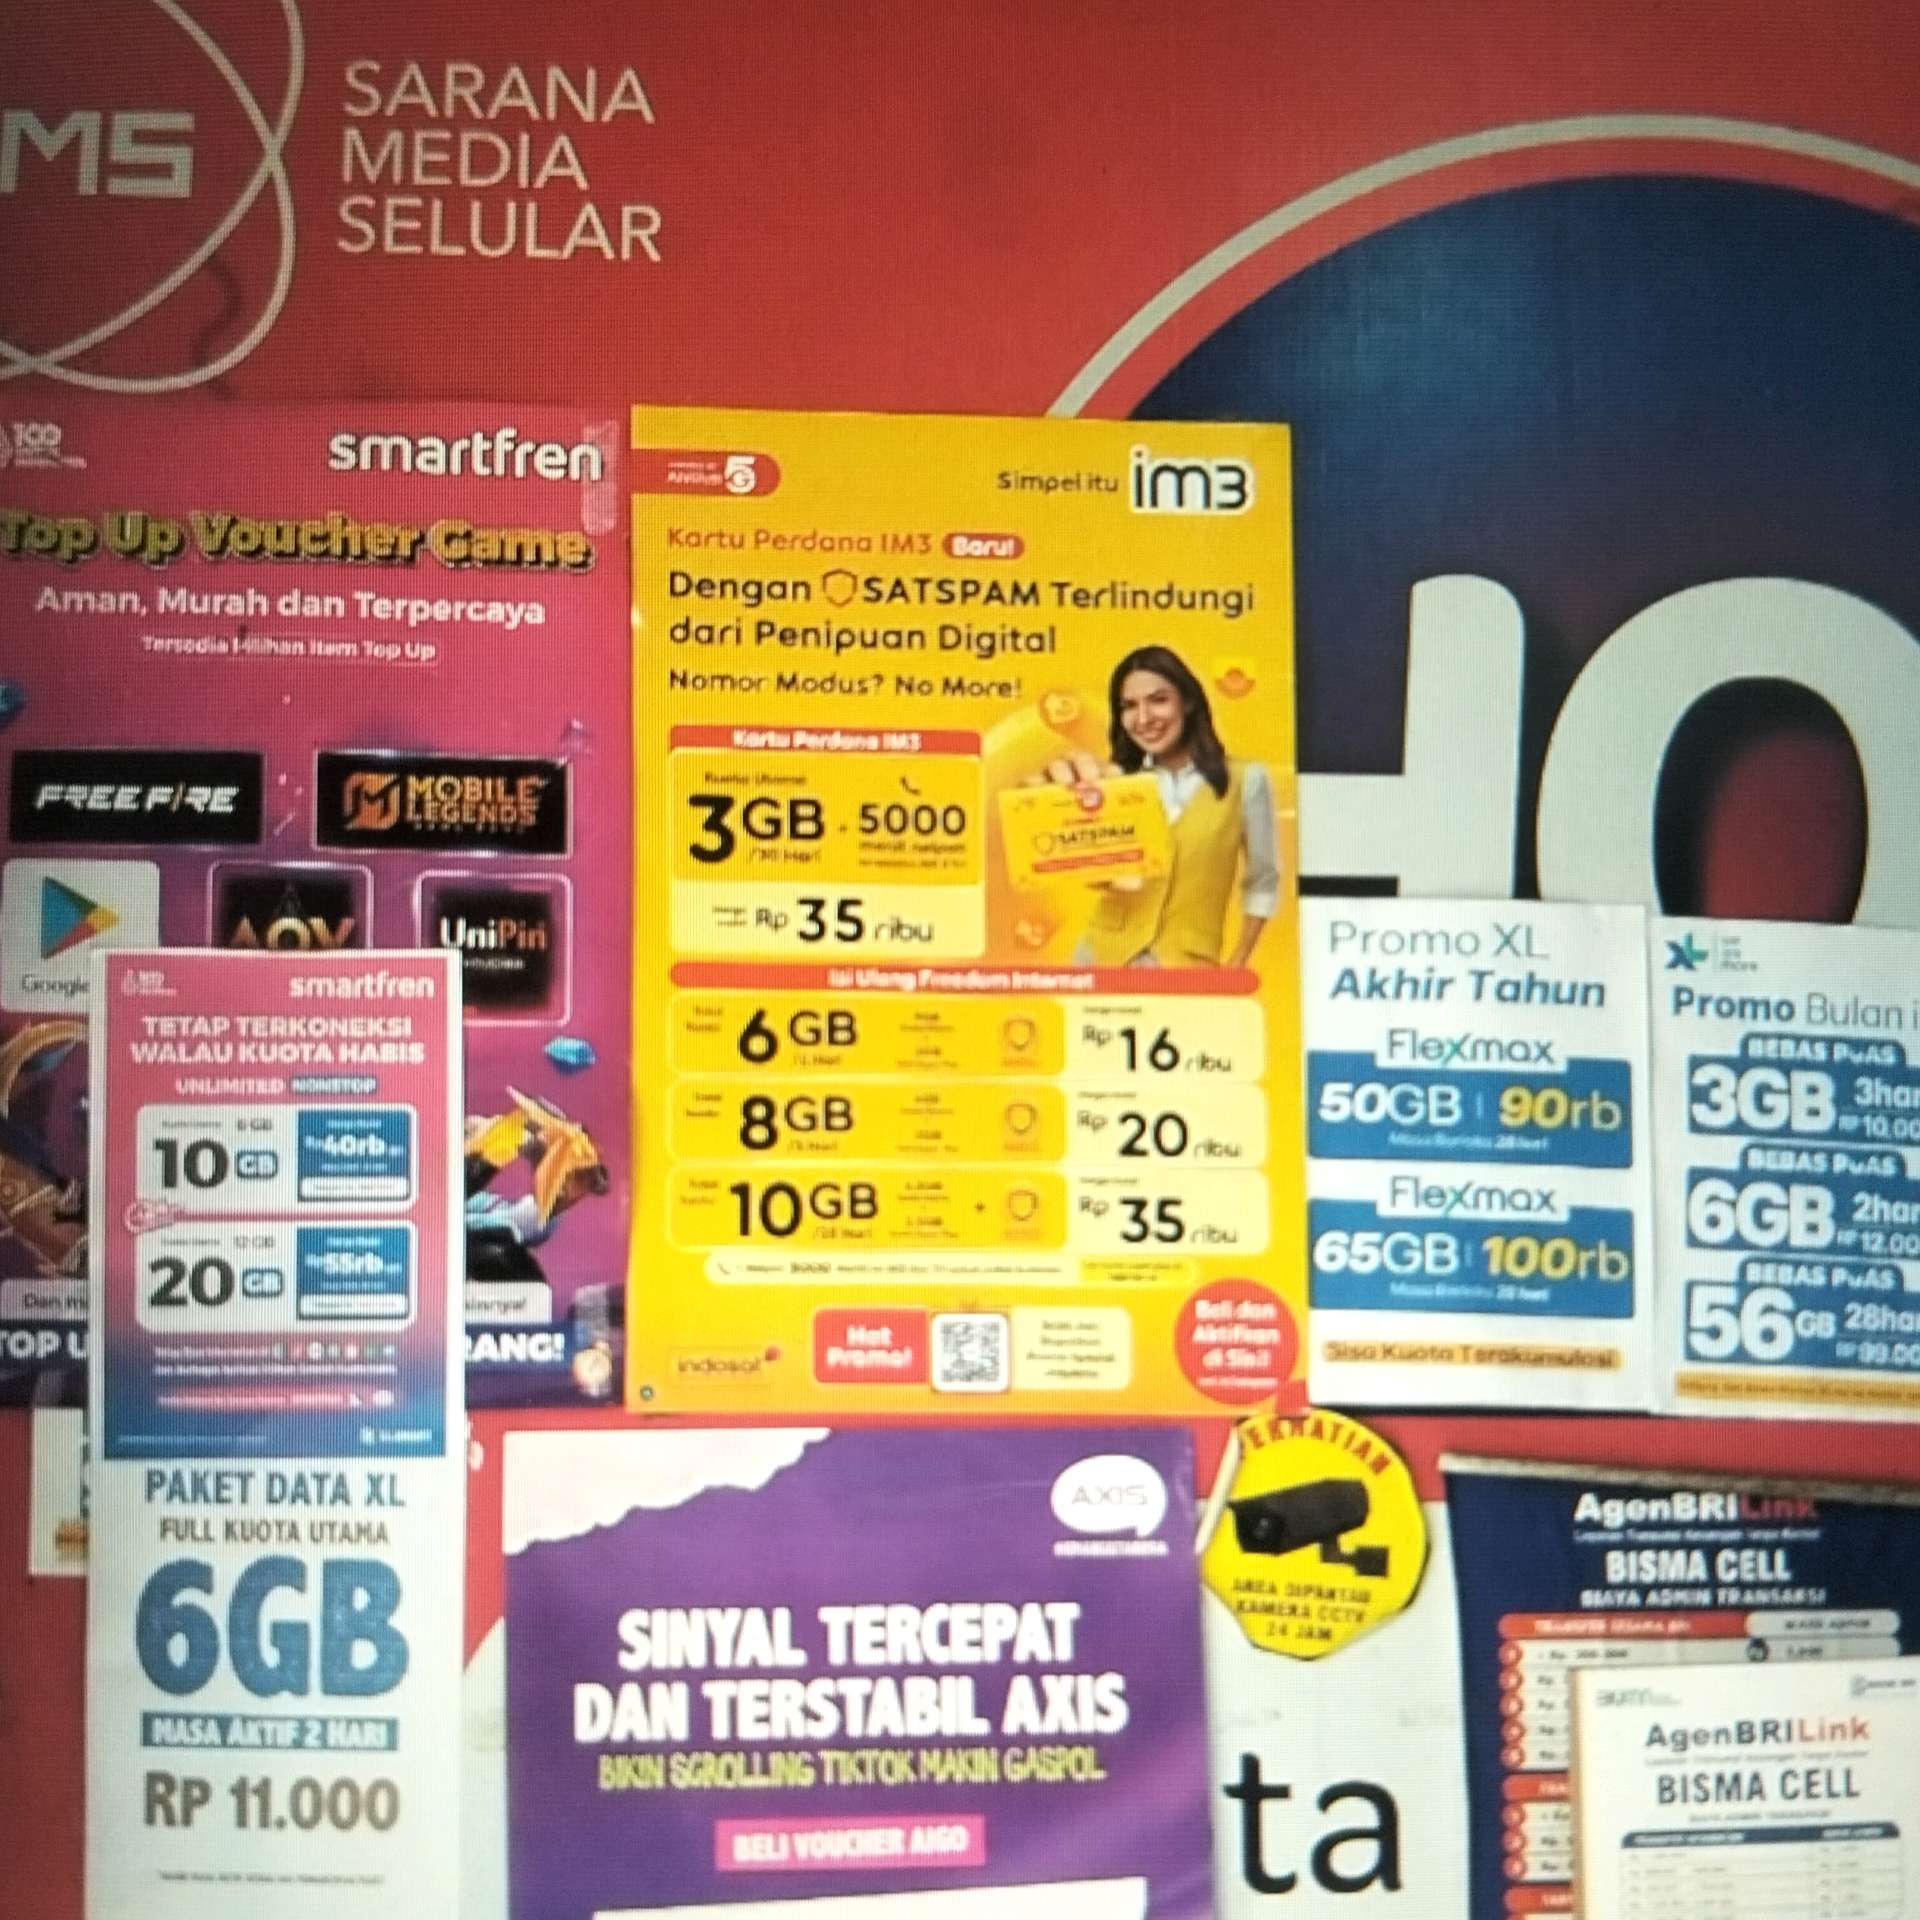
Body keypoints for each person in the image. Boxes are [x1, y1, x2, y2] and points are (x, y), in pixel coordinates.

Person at [1061, 645, 1280, 968]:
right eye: (1129, 706)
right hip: (1102, 957)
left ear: (1187, 702)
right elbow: (1094, 871)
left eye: (1158, 700)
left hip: (1188, 963)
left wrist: (1239, 960)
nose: (1143, 718)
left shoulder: (1245, 779)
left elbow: (1263, 878)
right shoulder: (1116, 783)